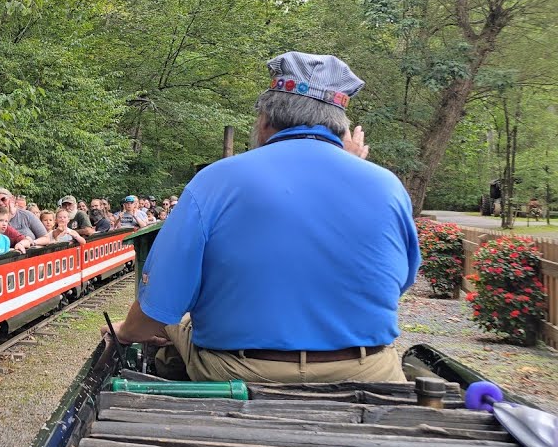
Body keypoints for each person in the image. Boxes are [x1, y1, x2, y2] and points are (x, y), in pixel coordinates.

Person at [114, 51, 420, 384]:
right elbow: (399, 282)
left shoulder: (215, 181)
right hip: (368, 374)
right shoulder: (387, 185)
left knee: (175, 330)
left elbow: (156, 307)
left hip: (241, 373)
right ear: (341, 126)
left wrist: (127, 332)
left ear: (265, 120)